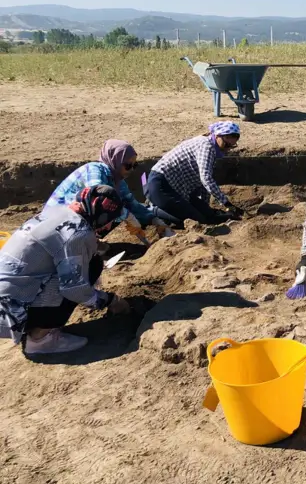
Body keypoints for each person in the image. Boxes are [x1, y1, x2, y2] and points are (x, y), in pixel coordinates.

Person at [0, 185, 130, 355]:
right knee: (90, 268)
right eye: (111, 220)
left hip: (7, 298)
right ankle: (41, 339)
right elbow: (74, 289)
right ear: (102, 216)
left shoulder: (57, 212)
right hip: (9, 314)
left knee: (85, 264)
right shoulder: (78, 233)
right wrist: (111, 300)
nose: (109, 226)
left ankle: (36, 328)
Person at [44, 139, 170, 231]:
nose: (131, 170)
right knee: (109, 211)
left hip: (74, 219)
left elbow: (130, 203)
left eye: (134, 166)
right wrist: (127, 216)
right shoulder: (94, 170)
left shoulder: (117, 180)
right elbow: (97, 199)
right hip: (56, 221)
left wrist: (153, 219)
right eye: (127, 165)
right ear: (114, 160)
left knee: (118, 209)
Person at [146, 122, 245, 226]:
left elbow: (203, 183)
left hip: (178, 189)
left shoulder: (211, 147)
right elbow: (206, 178)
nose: (227, 149)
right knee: (194, 222)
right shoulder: (207, 146)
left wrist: (205, 207)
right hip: (161, 185)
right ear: (217, 135)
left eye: (231, 146)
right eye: (226, 145)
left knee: (208, 215)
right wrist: (226, 203)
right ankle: (152, 210)